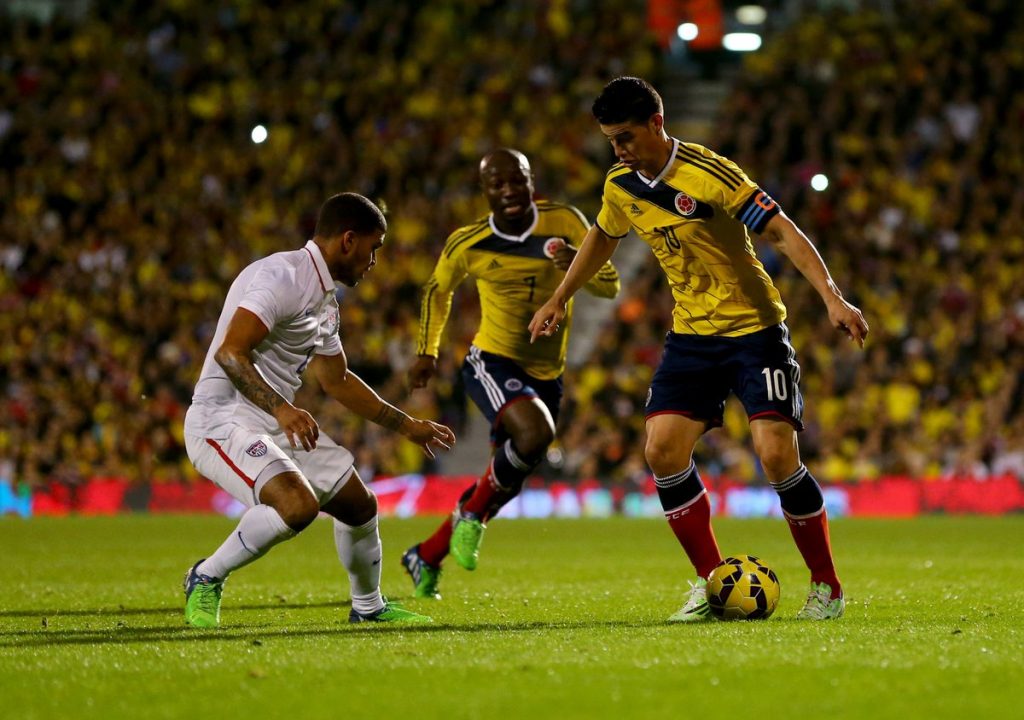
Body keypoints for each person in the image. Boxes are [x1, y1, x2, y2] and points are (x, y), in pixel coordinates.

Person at [530, 77, 869, 621]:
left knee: (778, 456)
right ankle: (712, 585)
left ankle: (827, 586)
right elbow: (602, 234)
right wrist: (561, 297)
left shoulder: (711, 173)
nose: (618, 151)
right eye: (610, 141)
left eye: (625, 137)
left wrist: (832, 297)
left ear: (656, 124)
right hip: (691, 336)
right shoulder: (620, 183)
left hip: (754, 332)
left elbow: (780, 231)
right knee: (662, 450)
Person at [181, 192, 456, 628]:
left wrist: (407, 425)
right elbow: (231, 354)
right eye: (374, 248)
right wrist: (283, 408)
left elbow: (337, 381)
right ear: (349, 240)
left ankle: (368, 608)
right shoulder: (282, 277)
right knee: (297, 506)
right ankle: (206, 575)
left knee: (359, 505)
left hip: (271, 421)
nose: (374, 261)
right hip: (223, 420)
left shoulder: (324, 299)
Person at [401, 149, 620, 598]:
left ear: (530, 179)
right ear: (485, 191)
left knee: (503, 483)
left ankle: (425, 555)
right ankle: (468, 520)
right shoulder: (469, 241)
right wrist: (427, 350)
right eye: (497, 184)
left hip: (548, 373)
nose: (508, 191)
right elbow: (436, 291)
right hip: (493, 360)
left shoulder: (564, 221)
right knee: (535, 436)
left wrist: (580, 262)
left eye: (516, 180)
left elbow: (610, 283)